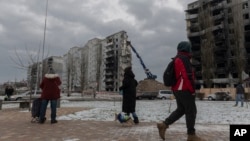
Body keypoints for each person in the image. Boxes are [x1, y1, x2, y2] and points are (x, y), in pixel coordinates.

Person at [157, 41, 202, 141]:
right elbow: (187, 76)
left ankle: (164, 125)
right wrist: (192, 90)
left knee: (181, 110)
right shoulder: (184, 59)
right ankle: (191, 135)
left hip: (177, 89)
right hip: (184, 88)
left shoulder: (177, 58)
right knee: (191, 111)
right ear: (187, 49)